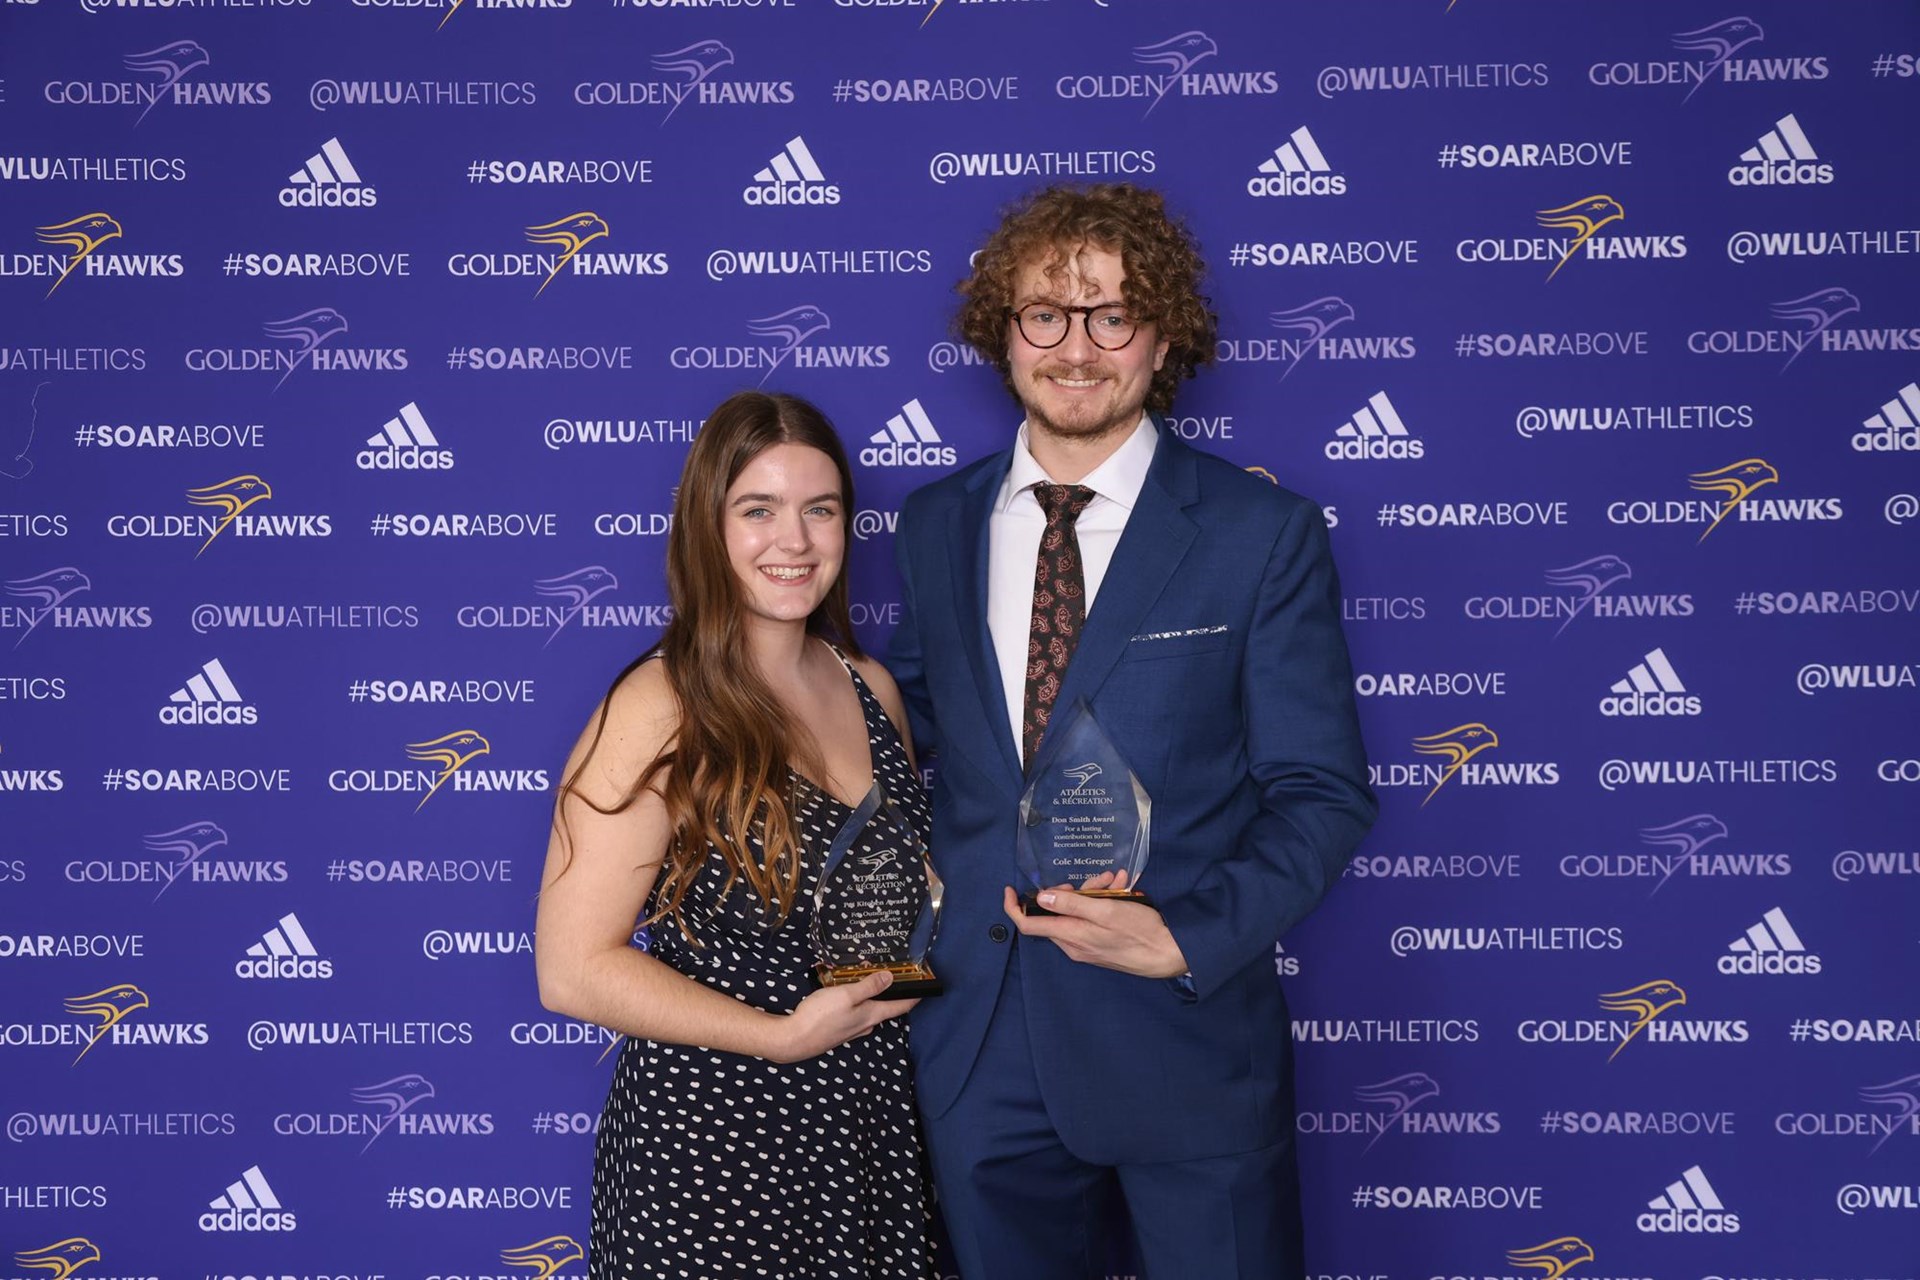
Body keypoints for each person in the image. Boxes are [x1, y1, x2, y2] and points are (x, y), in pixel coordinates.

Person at [888, 184, 1377, 1280]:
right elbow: (902, 735)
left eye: (1112, 313)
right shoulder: (935, 524)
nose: (1076, 348)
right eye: (1045, 314)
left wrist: (1188, 937)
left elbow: (1323, 789)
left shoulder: (1262, 532)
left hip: (1186, 1042)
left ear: (1163, 337)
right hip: (977, 1043)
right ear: (1002, 332)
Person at [535, 390, 934, 1279]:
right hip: (716, 1141)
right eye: (758, 510)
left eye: (819, 510)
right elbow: (571, 969)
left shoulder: (869, 686)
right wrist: (780, 1035)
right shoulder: (659, 705)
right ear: (708, 528)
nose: (793, 542)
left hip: (868, 1127)